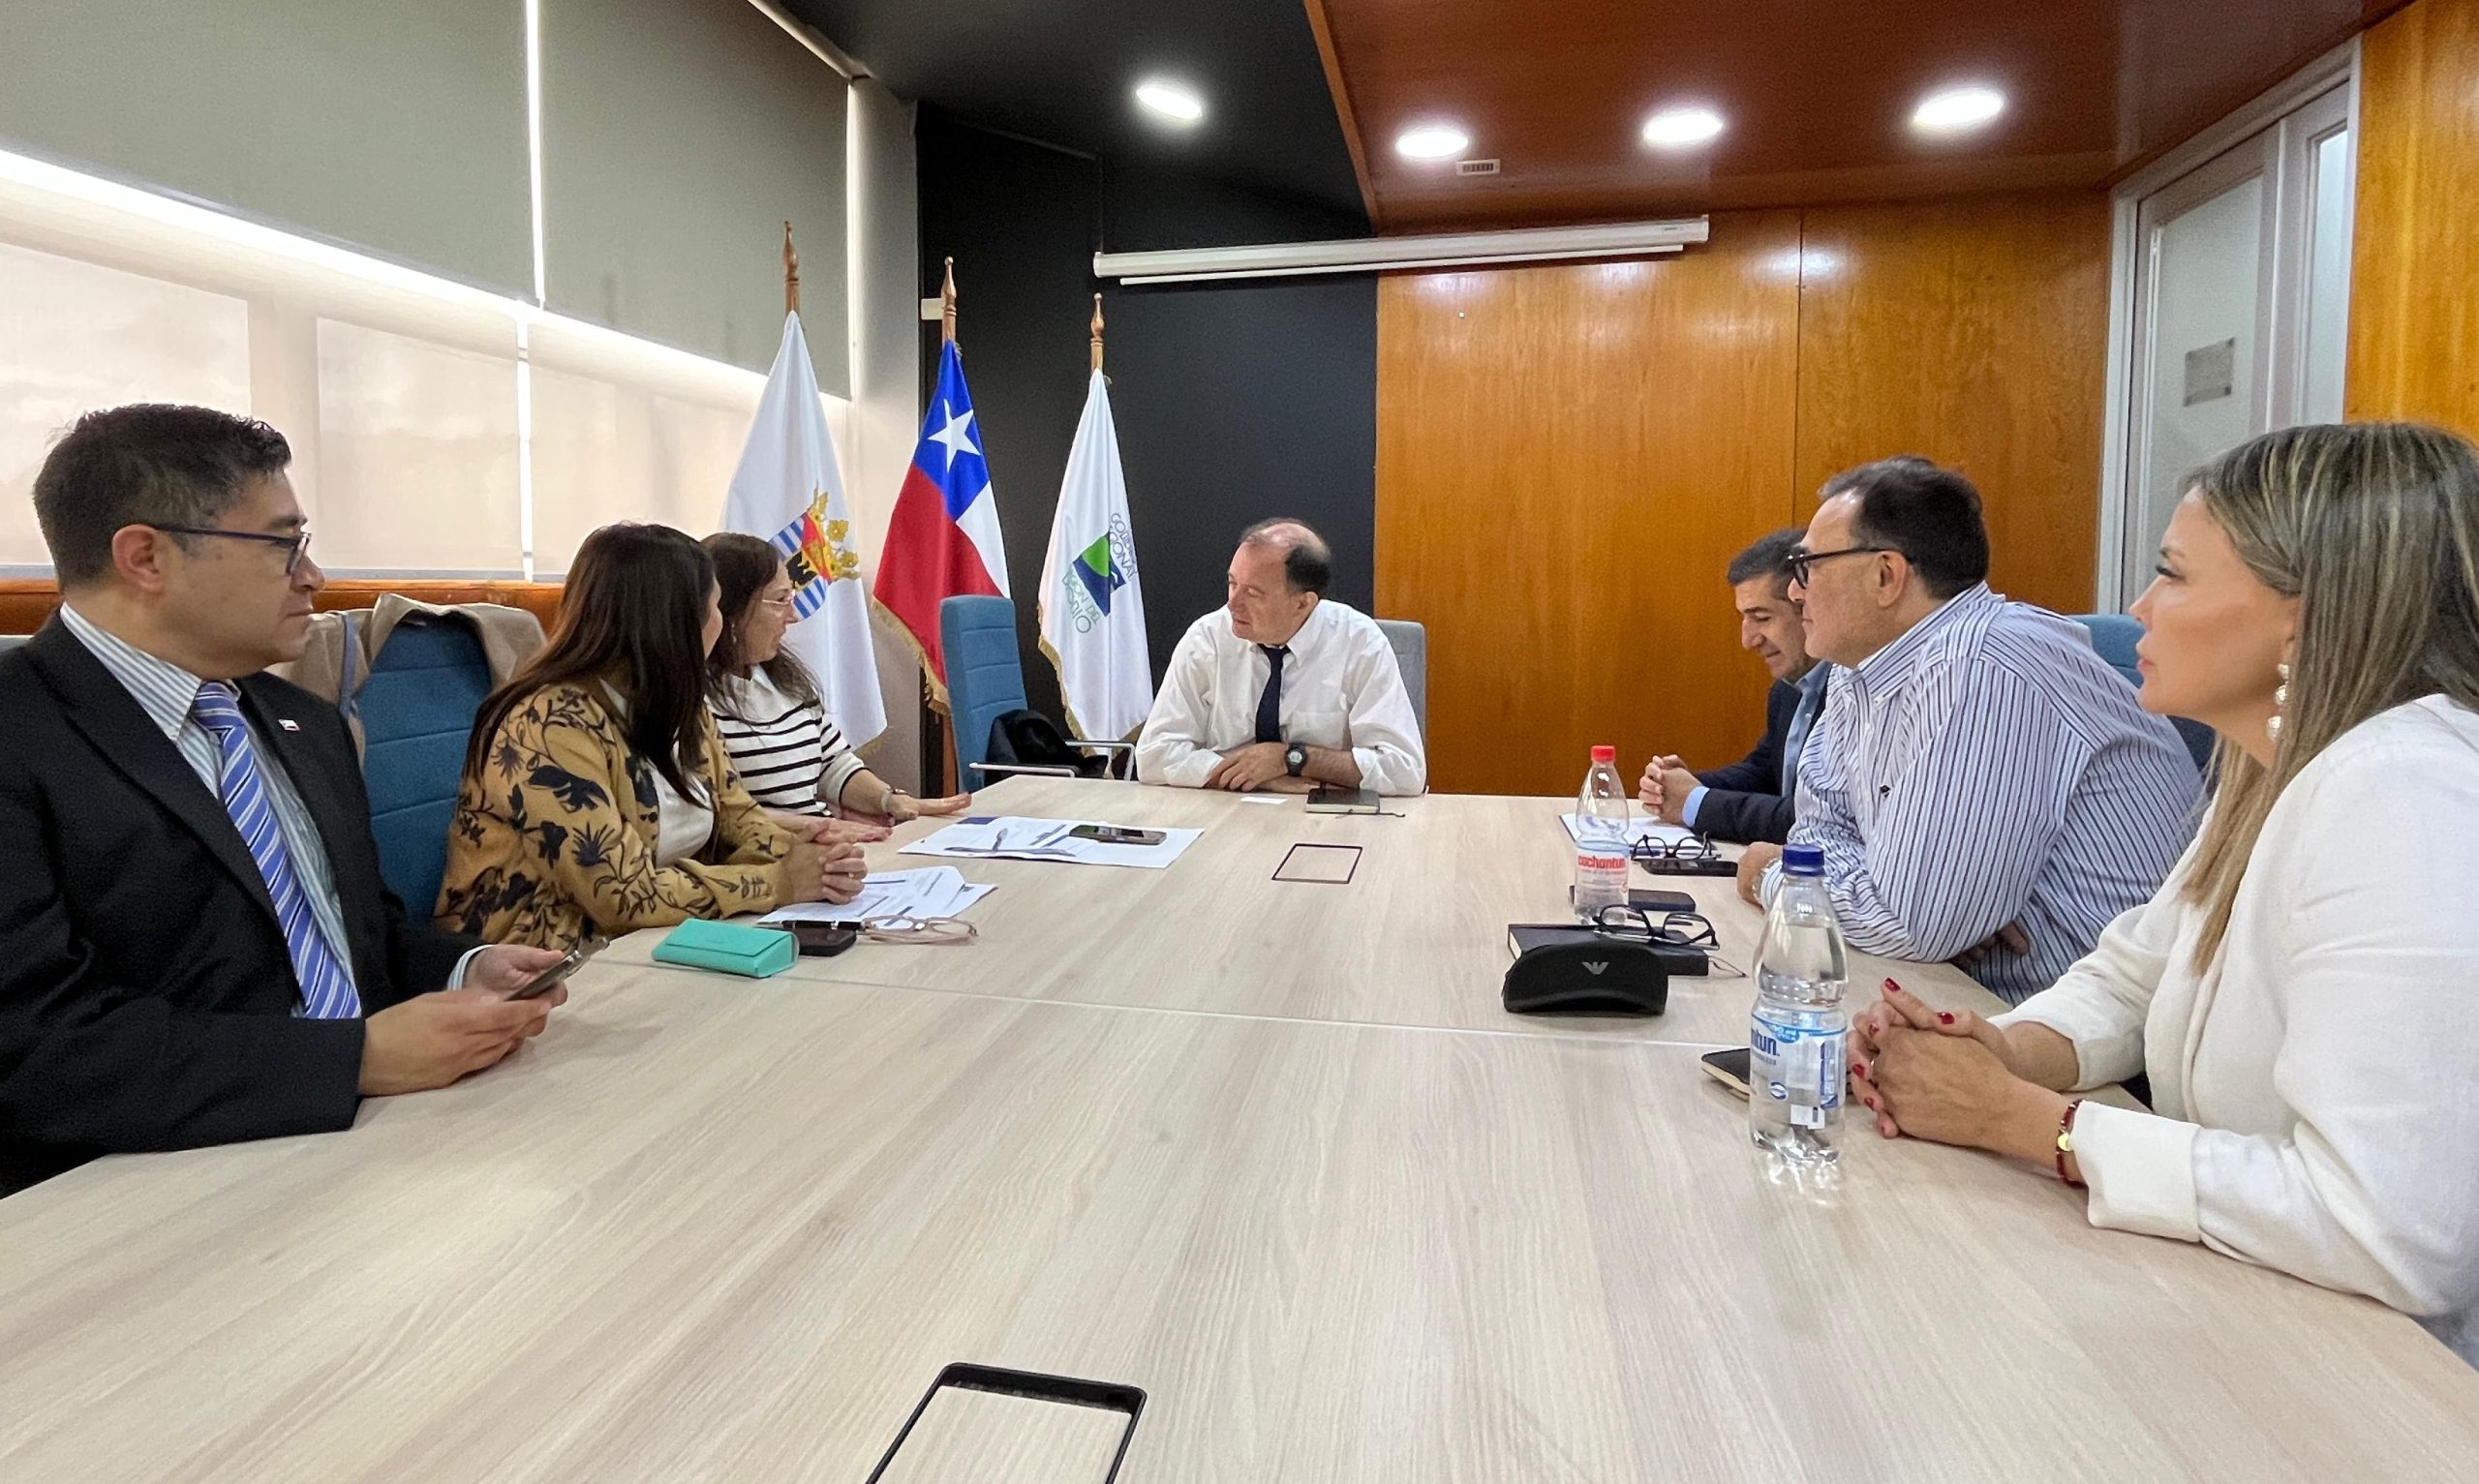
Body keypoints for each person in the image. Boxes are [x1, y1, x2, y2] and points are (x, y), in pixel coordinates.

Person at [1851, 422, 2479, 1367]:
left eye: (2173, 575)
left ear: (2303, 615)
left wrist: (2025, 1122)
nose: (2138, 608)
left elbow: (2388, 1230)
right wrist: (2004, 1050)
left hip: (2396, 1382)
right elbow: (2134, 974)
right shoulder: (2272, 769)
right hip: (2265, 1316)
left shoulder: (2405, 793)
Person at [0, 406, 567, 1197]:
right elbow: (37, 1047)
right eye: (282, 544)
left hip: (382, 1146)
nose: (313, 576)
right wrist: (357, 1058)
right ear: (146, 557)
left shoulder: (301, 721)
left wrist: (465, 967)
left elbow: (357, 932)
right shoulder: (21, 732)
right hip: (148, 1190)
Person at [1743, 456, 2198, 1004]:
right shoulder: (1858, 670)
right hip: (1962, 994)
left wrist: (1771, 874)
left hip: (2080, 1025)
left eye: (1807, 567)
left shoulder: (1982, 665)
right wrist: (1908, 898)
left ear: (1886, 575)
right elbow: (1820, 833)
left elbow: (1911, 924)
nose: (1796, 593)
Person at [437, 524, 865, 949]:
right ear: (673, 622)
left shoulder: (679, 703)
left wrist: (814, 857)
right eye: (715, 607)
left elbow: (736, 817)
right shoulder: (549, 724)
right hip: (545, 955)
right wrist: (778, 881)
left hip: (652, 936)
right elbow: (621, 896)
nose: (722, 622)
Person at [701, 532, 968, 840]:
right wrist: (821, 828)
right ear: (730, 611)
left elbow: (832, 764)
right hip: (768, 855)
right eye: (780, 601)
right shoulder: (693, 701)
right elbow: (720, 813)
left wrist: (891, 800)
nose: (792, 616)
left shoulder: (783, 680)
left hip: (822, 845)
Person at [1136, 519, 1425, 796]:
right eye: (1232, 583)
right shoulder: (1207, 638)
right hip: (1223, 809)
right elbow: (1154, 754)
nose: (1232, 604)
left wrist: (1291, 758)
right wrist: (1258, 778)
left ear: (1303, 603)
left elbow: (1404, 770)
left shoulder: (1360, 643)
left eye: (1252, 593)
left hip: (1325, 816)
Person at [1637, 529, 1828, 844]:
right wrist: (1683, 785)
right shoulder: (1788, 689)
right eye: (1744, 619)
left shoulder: (1852, 693)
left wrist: (1696, 802)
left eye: (1762, 618)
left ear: (1807, 607)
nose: (1748, 640)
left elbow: (1812, 818)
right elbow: (1765, 772)